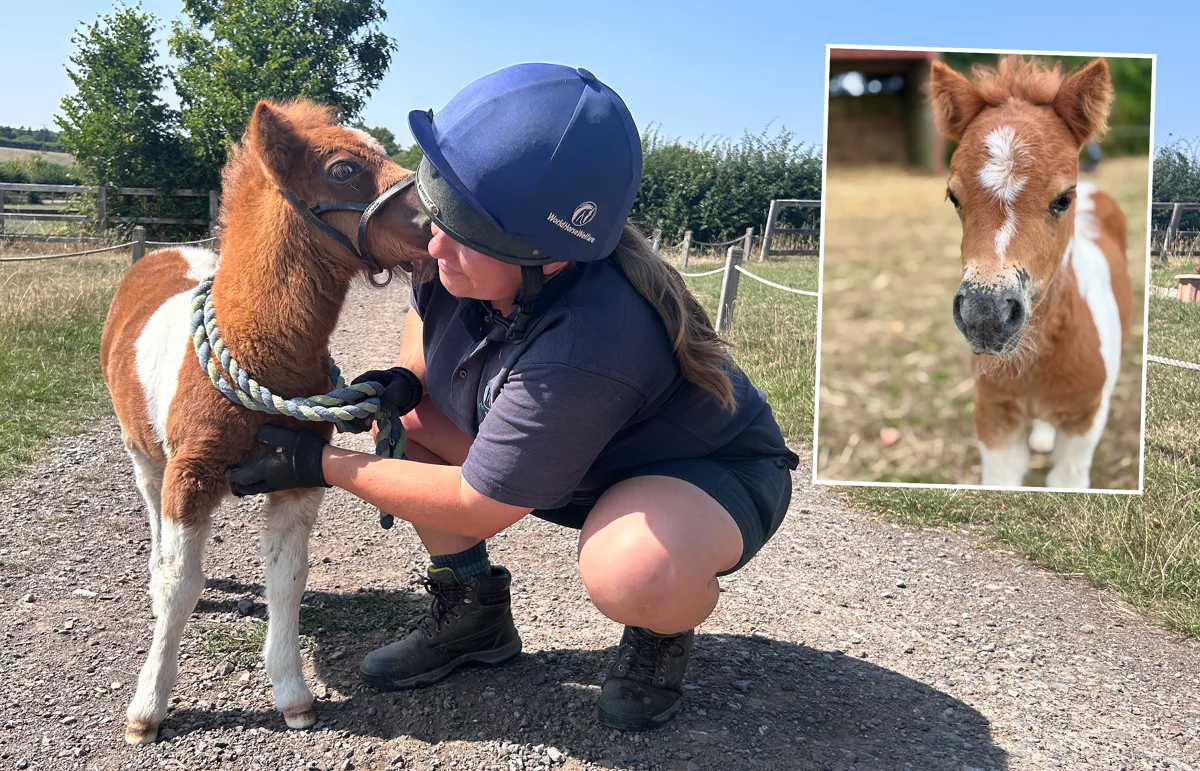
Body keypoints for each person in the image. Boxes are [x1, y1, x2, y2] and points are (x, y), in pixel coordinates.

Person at [226, 63, 799, 732]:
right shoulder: (460, 249)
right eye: (437, 213)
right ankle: (473, 614)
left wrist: (320, 465)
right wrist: (407, 377)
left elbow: (484, 503)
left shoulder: (594, 336)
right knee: (409, 418)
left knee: (633, 570)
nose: (430, 240)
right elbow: (423, 308)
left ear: (547, 257)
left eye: (457, 229)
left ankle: (659, 622)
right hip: (577, 466)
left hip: (700, 477)